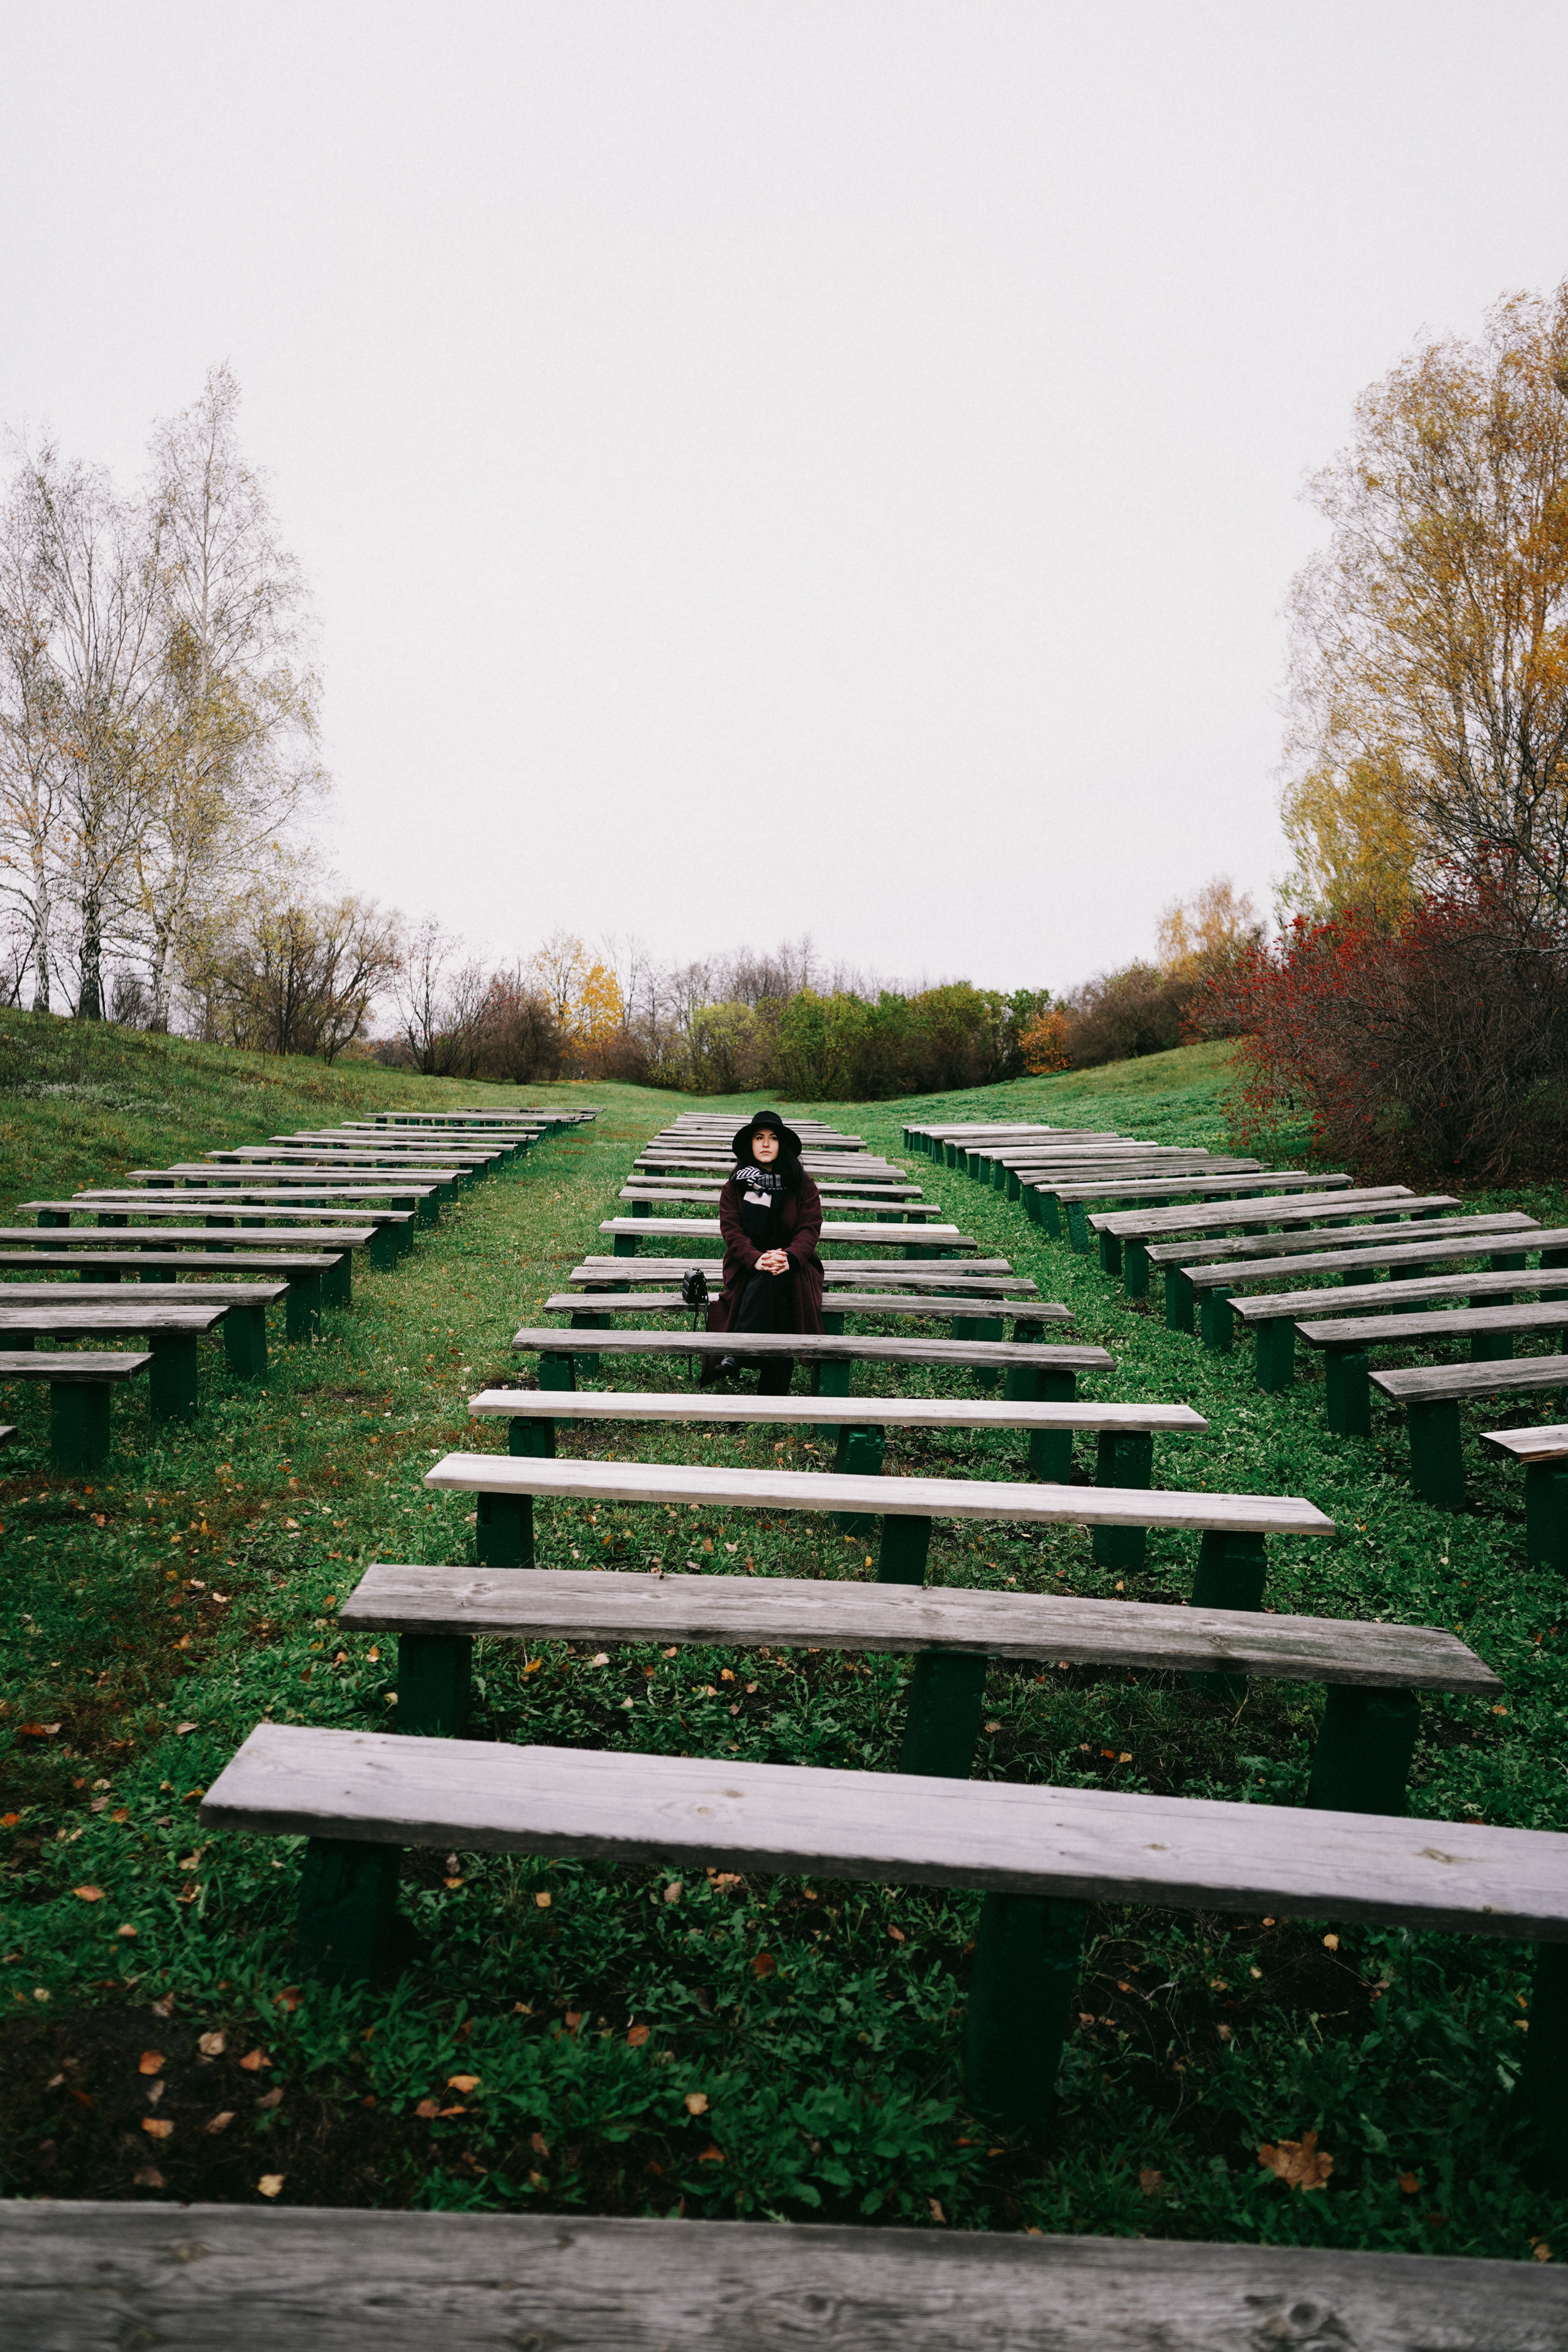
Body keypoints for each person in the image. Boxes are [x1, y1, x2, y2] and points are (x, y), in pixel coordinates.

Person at [704, 1112, 824, 1392]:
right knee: (770, 1281)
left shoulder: (803, 1185)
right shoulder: (734, 1187)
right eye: (760, 1138)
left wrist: (788, 1258)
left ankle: (738, 1350)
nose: (766, 1144)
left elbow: (809, 1229)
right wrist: (756, 1259)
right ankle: (773, 1393)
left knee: (777, 1278)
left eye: (773, 1138)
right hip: (746, 1265)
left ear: (782, 1144)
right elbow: (732, 1231)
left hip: (796, 1265)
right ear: (751, 1145)